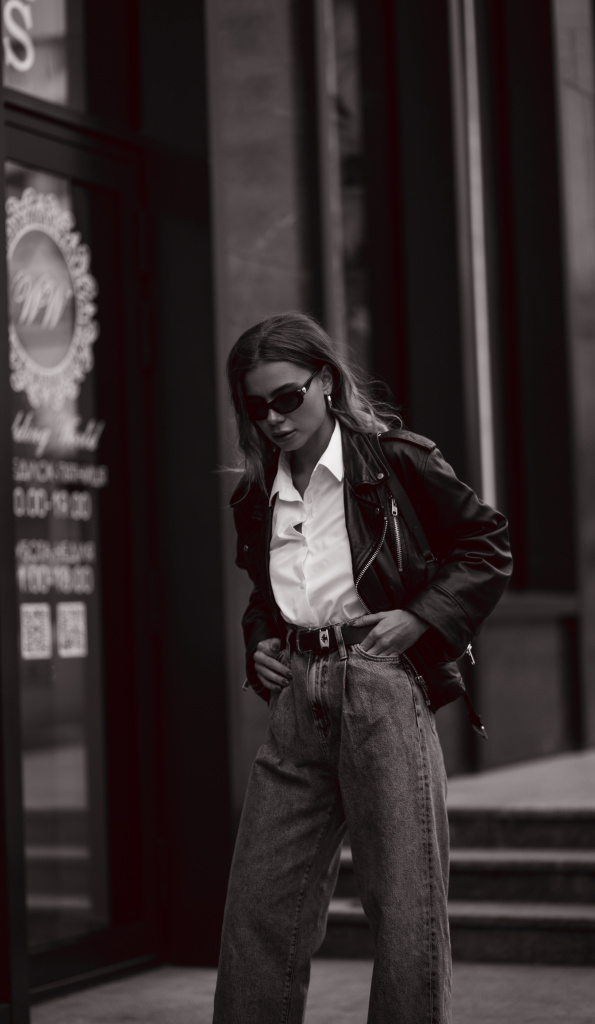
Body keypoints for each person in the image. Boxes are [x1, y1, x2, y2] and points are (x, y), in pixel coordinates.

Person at [212, 311, 512, 1024]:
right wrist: (260, 643)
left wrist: (421, 618)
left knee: (404, 908)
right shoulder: (256, 492)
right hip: (296, 700)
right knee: (258, 908)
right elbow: (267, 594)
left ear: (324, 381)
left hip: (379, 685)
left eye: (287, 397)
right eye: (256, 407)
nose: (274, 419)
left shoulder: (394, 460)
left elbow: (486, 546)